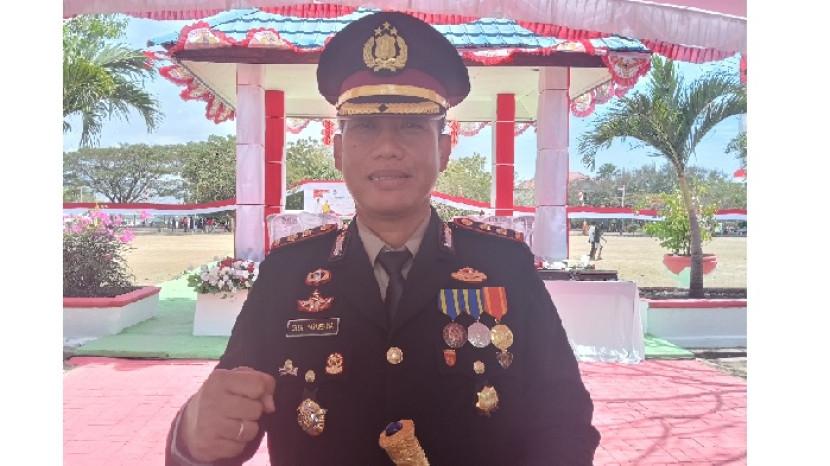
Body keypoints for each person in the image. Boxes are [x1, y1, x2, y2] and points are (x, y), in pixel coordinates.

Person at [165, 11, 599, 466]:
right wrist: (191, 435)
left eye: (412, 125)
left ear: (444, 149)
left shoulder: (504, 266)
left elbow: (563, 420)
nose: (388, 148)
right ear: (338, 151)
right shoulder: (287, 273)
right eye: (366, 126)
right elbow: (228, 420)